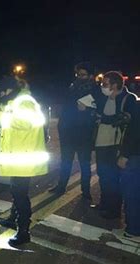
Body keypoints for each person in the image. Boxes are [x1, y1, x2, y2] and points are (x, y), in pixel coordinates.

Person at [0, 78, 49, 246]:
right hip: (19, 157)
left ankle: (24, 231)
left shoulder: (24, 102)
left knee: (20, 195)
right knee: (16, 191)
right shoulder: (17, 101)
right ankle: (13, 218)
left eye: (4, 91)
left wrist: (2, 114)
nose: (2, 94)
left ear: (12, 89)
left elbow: (25, 123)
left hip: (24, 159)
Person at [49, 62, 98, 199]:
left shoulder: (95, 90)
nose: (80, 77)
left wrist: (87, 110)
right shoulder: (72, 87)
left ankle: (86, 191)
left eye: (83, 75)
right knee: (65, 161)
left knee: (84, 164)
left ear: (90, 76)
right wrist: (61, 125)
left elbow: (98, 110)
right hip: (68, 131)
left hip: (84, 133)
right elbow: (65, 106)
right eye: (78, 74)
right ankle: (61, 187)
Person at [92, 71, 136, 219]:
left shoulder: (128, 99)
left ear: (115, 85)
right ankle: (104, 203)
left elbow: (126, 119)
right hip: (101, 143)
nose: (102, 86)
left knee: (113, 177)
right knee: (103, 175)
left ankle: (114, 209)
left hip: (115, 144)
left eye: (105, 84)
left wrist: (103, 119)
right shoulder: (104, 98)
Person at [115, 98, 140, 242]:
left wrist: (124, 155)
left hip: (135, 156)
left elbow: (134, 133)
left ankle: (132, 230)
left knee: (132, 194)